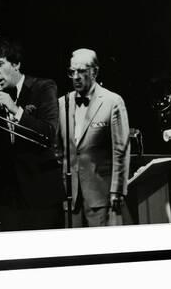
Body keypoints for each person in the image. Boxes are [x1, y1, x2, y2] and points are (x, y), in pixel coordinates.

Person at [0, 38, 65, 231]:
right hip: (11, 202)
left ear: (16, 64)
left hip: (43, 199)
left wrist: (15, 110)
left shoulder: (43, 87)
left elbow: (48, 133)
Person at [58, 48, 131, 227]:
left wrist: (118, 190)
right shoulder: (62, 103)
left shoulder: (112, 101)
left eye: (81, 71)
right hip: (71, 197)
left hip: (101, 195)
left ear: (95, 71)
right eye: (72, 71)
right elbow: (58, 149)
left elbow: (120, 150)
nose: (76, 76)